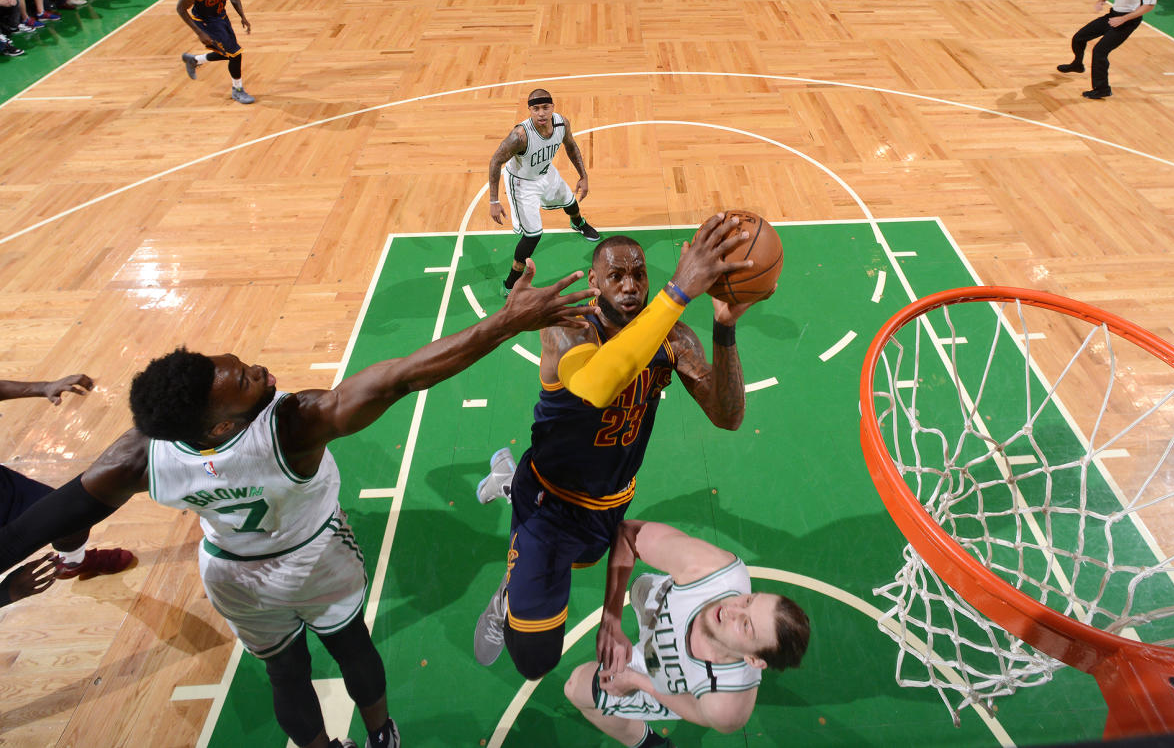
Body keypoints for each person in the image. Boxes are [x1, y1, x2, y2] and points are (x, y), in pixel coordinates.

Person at [0, 264, 596, 748]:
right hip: (313, 559)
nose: (254, 368)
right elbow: (400, 379)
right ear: (225, 423)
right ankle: (382, 734)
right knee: (351, 644)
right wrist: (504, 323)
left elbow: (42, 522)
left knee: (284, 671)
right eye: (243, 380)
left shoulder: (137, 454)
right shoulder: (292, 425)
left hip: (232, 574)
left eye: (230, 362)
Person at [473, 215, 755, 683]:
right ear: (594, 281)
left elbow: (727, 416)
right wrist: (680, 290)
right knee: (535, 660)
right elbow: (597, 388)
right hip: (548, 504)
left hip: (608, 503)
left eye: (639, 274)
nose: (629, 286)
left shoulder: (674, 338)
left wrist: (724, 328)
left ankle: (506, 486)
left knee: (584, 560)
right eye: (616, 275)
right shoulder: (568, 326)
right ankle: (508, 584)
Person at [563, 520, 811, 748]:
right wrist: (611, 621)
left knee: (575, 688)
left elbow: (696, 709)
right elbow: (628, 535)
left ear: (753, 660)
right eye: (749, 599)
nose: (731, 609)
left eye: (745, 625)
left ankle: (648, 744)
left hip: (662, 674)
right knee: (639, 587)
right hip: (661, 608)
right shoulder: (711, 571)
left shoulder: (727, 705)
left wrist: (635, 681)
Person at [0, 374, 135, 607]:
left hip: (5, 490)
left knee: (73, 522)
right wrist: (7, 593)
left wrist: (44, 387)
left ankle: (74, 563)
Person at [488, 88, 599, 295]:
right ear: (529, 110)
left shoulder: (561, 123)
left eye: (545, 108)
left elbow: (571, 146)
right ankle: (510, 283)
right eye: (536, 109)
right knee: (533, 235)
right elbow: (495, 161)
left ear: (552, 108)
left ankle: (578, 223)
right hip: (522, 183)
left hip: (546, 172)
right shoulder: (519, 136)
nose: (541, 113)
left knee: (570, 201)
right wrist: (494, 201)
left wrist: (583, 176)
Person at [1057, 0, 1159, 99]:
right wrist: (1101, 0)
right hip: (1113, 15)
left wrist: (1123, 19)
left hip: (1128, 20)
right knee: (1079, 37)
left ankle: (1102, 88)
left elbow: (1149, 6)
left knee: (1099, 51)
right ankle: (1077, 64)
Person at [177, 0, 254, 104]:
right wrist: (199, 33)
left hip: (221, 18)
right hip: (204, 22)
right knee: (235, 54)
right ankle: (238, 91)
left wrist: (242, 16)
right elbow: (180, 9)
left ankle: (194, 60)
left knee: (229, 54)